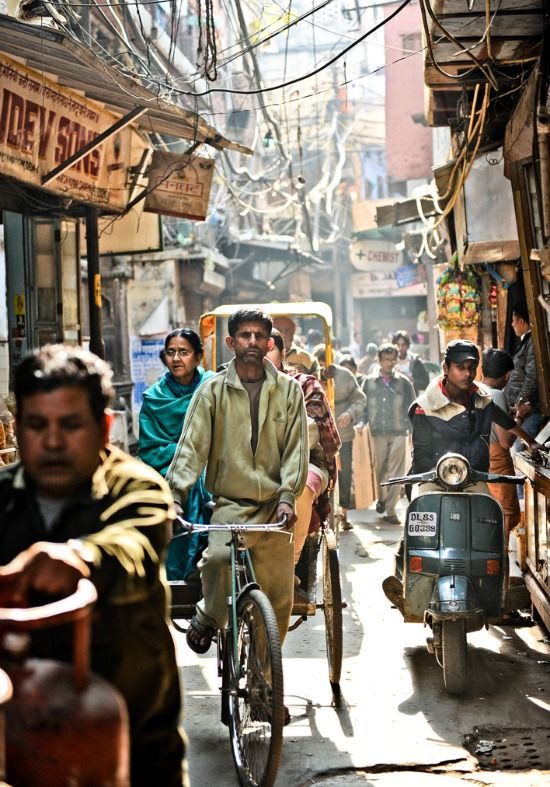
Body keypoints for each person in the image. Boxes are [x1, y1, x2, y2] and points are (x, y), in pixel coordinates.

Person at [0, 344, 185, 787]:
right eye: (37, 425)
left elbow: (134, 546)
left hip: (131, 746)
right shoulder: (3, 497)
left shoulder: (137, 489)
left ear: (104, 428)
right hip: (18, 747)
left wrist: (81, 556)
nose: (53, 442)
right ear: (17, 429)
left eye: (70, 425)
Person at [167, 308, 308, 667]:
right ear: (231, 342)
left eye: (259, 336)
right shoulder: (212, 390)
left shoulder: (289, 391)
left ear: (269, 342)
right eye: (244, 335)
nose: (252, 342)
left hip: (277, 507)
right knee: (215, 561)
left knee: (279, 598)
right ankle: (208, 616)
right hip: (231, 502)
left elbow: (296, 449)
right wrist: (175, 496)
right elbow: (191, 448)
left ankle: (264, 683)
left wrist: (288, 496)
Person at [382, 339, 541, 615]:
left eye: (471, 367)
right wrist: (434, 474)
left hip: (473, 477)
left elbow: (506, 422)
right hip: (431, 478)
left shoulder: (482, 400)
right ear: (446, 368)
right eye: (459, 367)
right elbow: (419, 453)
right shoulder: (424, 406)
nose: (466, 373)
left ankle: (500, 587)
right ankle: (402, 572)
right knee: (418, 521)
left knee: (490, 522)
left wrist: (530, 442)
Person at [138, 328, 215, 580]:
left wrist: (201, 456)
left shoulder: (213, 387)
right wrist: (187, 454)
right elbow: (150, 447)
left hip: (211, 464)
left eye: (184, 352)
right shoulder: (153, 398)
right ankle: (178, 572)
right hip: (166, 467)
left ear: (198, 357)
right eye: (171, 352)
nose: (176, 359)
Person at [267, 329, 341, 568]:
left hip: (306, 461)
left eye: (268, 348)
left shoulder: (305, 385)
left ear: (282, 352)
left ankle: (290, 565)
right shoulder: (234, 385)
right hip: (252, 464)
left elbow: (308, 434)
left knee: (301, 485)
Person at [313, 344, 366, 531]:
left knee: (344, 475)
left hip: (342, 435)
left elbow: (360, 399)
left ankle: (344, 513)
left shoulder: (345, 376)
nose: (324, 368)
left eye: (326, 364)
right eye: (320, 365)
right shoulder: (310, 377)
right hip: (317, 436)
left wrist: (350, 414)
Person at [361, 343, 416, 525]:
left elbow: (413, 409)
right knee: (379, 470)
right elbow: (362, 407)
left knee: (396, 472)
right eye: (386, 360)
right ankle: (382, 498)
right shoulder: (368, 382)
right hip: (377, 432)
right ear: (379, 360)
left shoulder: (404, 382)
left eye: (393, 360)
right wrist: (361, 424)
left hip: (400, 432)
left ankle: (391, 509)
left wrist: (415, 433)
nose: (390, 364)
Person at [481, 348, 521, 549]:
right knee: (502, 517)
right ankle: (501, 578)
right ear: (506, 375)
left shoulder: (476, 389)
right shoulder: (496, 394)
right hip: (496, 464)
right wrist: (520, 416)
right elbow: (506, 441)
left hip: (480, 462)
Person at [503, 304, 542, 438]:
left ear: (521, 321)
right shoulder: (526, 341)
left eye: (513, 321)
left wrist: (520, 401)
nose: (512, 325)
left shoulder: (532, 342)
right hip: (520, 409)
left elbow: (532, 375)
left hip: (528, 410)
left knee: (519, 448)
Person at [392, 329, 430, 394]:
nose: (400, 348)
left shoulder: (415, 360)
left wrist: (411, 380)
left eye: (403, 345)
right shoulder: (391, 360)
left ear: (408, 345)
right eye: (398, 345)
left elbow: (425, 382)